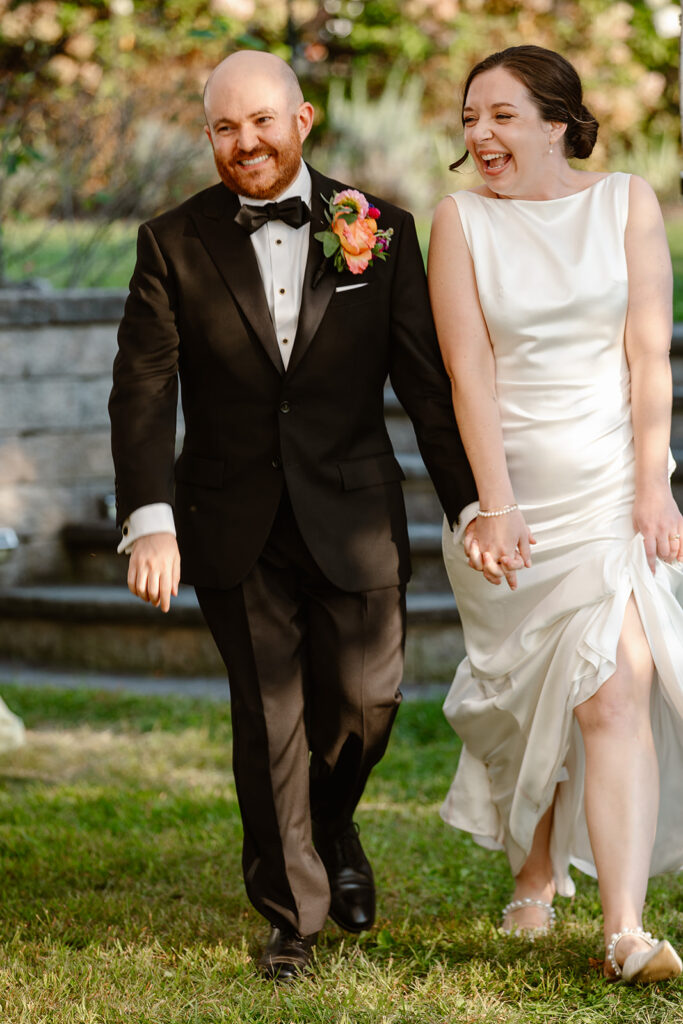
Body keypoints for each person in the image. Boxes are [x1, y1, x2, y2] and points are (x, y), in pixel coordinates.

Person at [109, 50, 476, 981]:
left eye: (262, 121)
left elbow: (425, 387)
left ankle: (329, 823)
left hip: (352, 512)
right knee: (269, 716)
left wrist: (472, 502)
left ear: (302, 120)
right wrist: (151, 515)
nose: (246, 143)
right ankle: (293, 917)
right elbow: (143, 391)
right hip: (229, 516)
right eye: (225, 128)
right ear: (208, 137)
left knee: (365, 708)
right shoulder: (171, 242)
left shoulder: (378, 231)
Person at [428, 44, 683, 984]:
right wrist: (492, 505)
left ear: (555, 121)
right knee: (533, 696)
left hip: (613, 490)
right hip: (515, 504)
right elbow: (470, 373)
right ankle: (534, 868)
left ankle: (624, 929)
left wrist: (652, 486)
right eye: (468, 119)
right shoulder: (458, 223)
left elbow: (648, 358)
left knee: (617, 682)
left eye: (499, 115)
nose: (480, 135)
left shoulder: (627, 203)